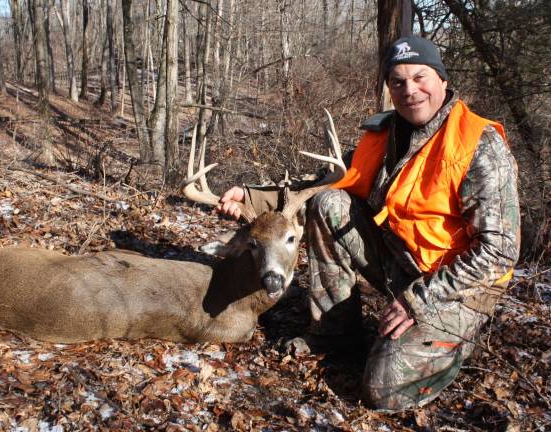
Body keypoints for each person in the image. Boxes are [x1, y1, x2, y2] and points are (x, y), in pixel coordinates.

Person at [217, 35, 520, 410]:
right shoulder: (385, 134)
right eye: (397, 81)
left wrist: (417, 302)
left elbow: (499, 252)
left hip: (455, 287)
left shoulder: (479, 144)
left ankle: (458, 342)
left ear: (442, 79)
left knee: (383, 391)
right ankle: (335, 332)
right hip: (400, 260)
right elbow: (319, 185)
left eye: (420, 77)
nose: (410, 90)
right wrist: (248, 198)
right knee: (329, 203)